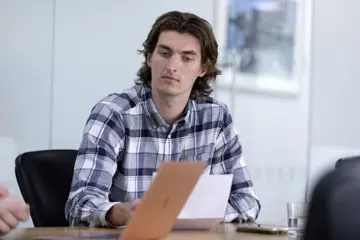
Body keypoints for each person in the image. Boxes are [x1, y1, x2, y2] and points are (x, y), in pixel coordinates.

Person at [65, 10, 260, 227]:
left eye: (187, 58)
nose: (172, 66)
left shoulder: (216, 117)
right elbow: (80, 205)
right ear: (149, 58)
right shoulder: (113, 113)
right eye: (164, 53)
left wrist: (195, 214)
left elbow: (247, 200)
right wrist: (121, 213)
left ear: (203, 68)